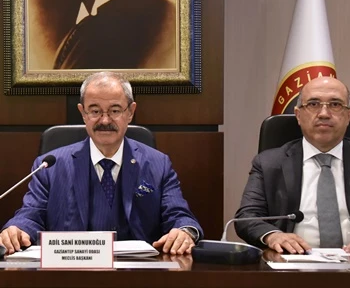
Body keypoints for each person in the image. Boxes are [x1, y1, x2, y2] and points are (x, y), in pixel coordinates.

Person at [0, 72, 202, 255]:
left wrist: (184, 232)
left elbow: (179, 215)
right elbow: (30, 215)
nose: (105, 121)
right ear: (83, 113)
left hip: (140, 273)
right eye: (95, 111)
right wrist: (16, 229)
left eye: (115, 110)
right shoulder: (49, 167)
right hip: (70, 271)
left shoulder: (158, 164)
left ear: (130, 112)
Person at [235, 77, 350, 253]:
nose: (323, 114)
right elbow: (247, 217)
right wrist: (274, 236)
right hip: (291, 262)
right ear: (298, 115)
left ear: (349, 116)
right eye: (313, 104)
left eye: (335, 104)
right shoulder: (268, 163)